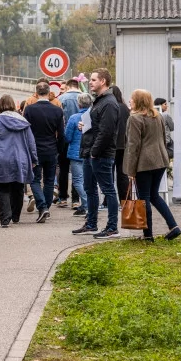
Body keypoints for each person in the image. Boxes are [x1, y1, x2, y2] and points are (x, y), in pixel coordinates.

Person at [124, 89, 181, 242]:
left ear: (138, 101)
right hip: (161, 160)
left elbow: (133, 146)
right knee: (154, 195)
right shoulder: (158, 117)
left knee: (144, 198)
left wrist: (131, 170)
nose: (130, 100)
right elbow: (164, 139)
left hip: (144, 163)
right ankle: (173, 226)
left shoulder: (135, 119)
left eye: (132, 98)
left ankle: (148, 235)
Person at [72, 68, 121, 239]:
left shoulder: (109, 103)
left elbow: (106, 132)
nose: (89, 82)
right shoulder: (98, 101)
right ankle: (91, 223)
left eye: (93, 80)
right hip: (90, 151)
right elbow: (97, 125)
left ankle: (112, 227)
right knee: (90, 188)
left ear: (103, 82)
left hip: (100, 153)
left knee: (107, 190)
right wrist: (84, 127)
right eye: (90, 80)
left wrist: (94, 152)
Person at [0, 95, 38, 227]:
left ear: (0, 105)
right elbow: (31, 143)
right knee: (18, 187)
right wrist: (34, 159)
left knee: (2, 187)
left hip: (1, 158)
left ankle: (5, 219)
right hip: (21, 159)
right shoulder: (23, 122)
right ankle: (16, 216)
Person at [24, 82, 66, 223]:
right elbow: (61, 134)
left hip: (34, 149)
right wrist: (59, 150)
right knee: (49, 181)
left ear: (36, 93)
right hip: (51, 149)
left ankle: (42, 207)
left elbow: (26, 132)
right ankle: (46, 207)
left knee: (34, 180)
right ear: (49, 93)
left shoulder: (29, 110)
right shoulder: (57, 110)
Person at [64, 93, 92, 217]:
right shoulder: (93, 116)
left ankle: (86, 204)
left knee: (77, 180)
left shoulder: (74, 118)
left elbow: (67, 137)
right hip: (90, 152)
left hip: (76, 153)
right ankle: (86, 204)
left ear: (79, 104)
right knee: (88, 180)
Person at [57, 79, 83, 208]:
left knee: (63, 169)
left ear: (67, 87)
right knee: (77, 171)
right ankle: (75, 200)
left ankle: (62, 198)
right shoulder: (85, 98)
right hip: (80, 138)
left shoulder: (61, 98)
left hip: (64, 137)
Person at [112, 86, 131, 208]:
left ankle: (108, 201)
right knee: (122, 175)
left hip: (112, 145)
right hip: (124, 145)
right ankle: (125, 201)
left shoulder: (111, 107)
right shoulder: (125, 108)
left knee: (109, 175)